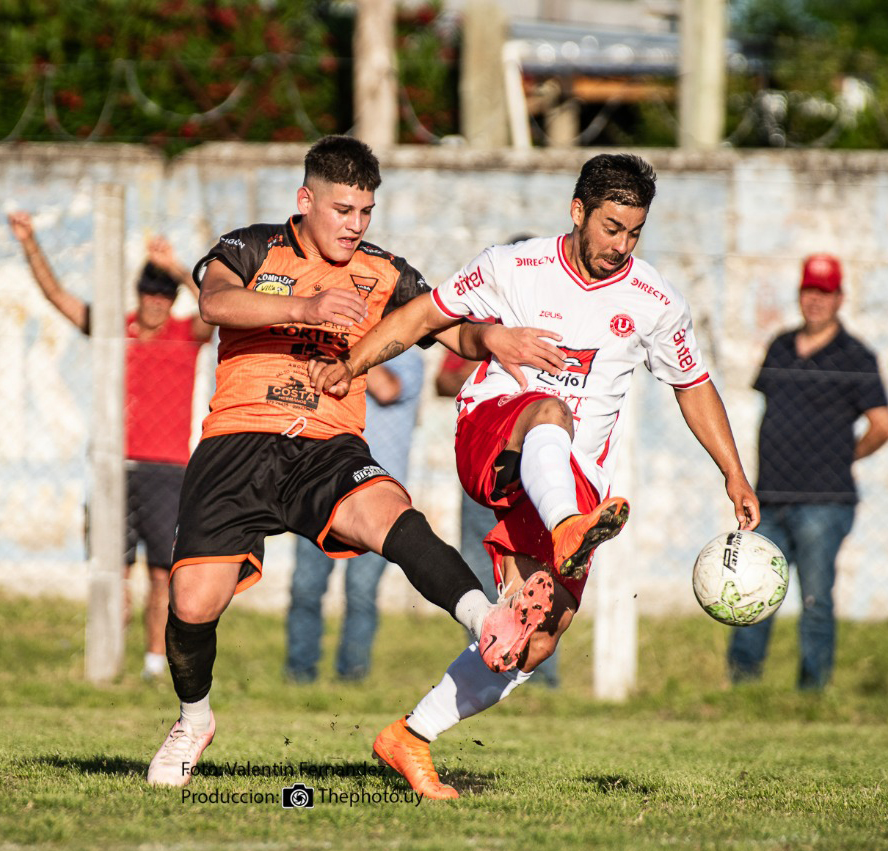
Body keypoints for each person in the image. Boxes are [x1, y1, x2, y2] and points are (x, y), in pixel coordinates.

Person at [311, 152, 760, 799]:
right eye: (610, 227)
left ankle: (411, 733)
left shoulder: (655, 300)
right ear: (577, 211)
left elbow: (693, 384)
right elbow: (422, 317)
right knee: (549, 411)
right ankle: (569, 525)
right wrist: (350, 365)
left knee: (534, 638)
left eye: (633, 232)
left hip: (569, 483)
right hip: (493, 436)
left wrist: (734, 475)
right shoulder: (512, 268)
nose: (621, 244)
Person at [146, 134, 567, 787]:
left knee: (391, 513)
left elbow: (445, 326)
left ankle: (488, 617)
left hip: (327, 446)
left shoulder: (383, 271)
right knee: (193, 602)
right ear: (305, 200)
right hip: (238, 441)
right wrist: (305, 308)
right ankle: (194, 718)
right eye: (343, 210)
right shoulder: (251, 245)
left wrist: (492, 337)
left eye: (366, 211)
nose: (355, 224)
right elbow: (216, 302)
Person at [7, 211, 214, 681]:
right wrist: (30, 243)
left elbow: (214, 312)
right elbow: (59, 298)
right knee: (111, 574)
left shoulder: (185, 336)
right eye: (149, 292)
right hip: (114, 466)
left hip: (167, 470)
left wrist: (181, 268)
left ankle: (153, 666)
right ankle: (105, 662)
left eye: (166, 295)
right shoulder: (114, 330)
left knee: (163, 574)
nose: (156, 303)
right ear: (138, 293)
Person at [728, 254, 888, 691]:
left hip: (824, 501)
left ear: (840, 298)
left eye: (825, 292)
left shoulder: (856, 356)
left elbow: (882, 424)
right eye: (809, 291)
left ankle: (812, 692)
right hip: (769, 497)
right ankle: (742, 688)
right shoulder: (780, 345)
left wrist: (847, 456)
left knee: (814, 600)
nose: (815, 300)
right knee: (750, 594)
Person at [286, 349, 424, 682]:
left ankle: (353, 676)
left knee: (361, 592)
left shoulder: (408, 359)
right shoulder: (331, 354)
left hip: (379, 497)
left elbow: (387, 389)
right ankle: (299, 673)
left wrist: (353, 355)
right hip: (322, 487)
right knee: (306, 586)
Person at [436, 349, 559, 689]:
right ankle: (484, 662)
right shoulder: (483, 326)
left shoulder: (556, 332)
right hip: (488, 463)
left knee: (539, 570)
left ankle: (535, 673)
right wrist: (491, 388)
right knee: (476, 567)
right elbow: (443, 379)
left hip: (533, 470)